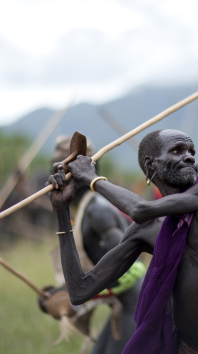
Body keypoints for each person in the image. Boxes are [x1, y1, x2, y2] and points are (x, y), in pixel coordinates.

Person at [47, 129, 198, 353]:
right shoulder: (145, 230)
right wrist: (61, 209)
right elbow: (80, 289)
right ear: (151, 165)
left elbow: (139, 209)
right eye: (177, 151)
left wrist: (91, 178)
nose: (189, 157)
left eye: (192, 151)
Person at [39, 135, 146, 354]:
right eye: (55, 170)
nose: (56, 177)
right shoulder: (79, 209)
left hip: (136, 304)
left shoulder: (97, 210)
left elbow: (126, 259)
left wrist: (82, 292)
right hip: (121, 303)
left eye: (62, 169)